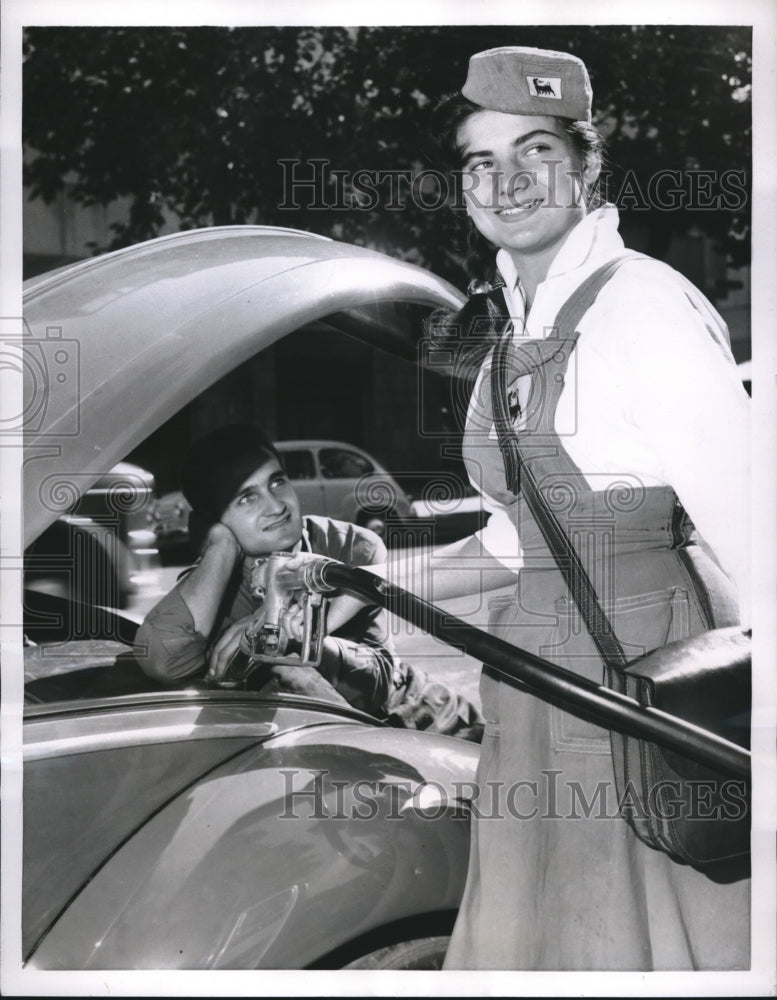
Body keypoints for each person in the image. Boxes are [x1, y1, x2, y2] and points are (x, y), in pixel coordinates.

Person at [286, 45, 748, 970]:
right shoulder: (506, 334)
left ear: (584, 166)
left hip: (639, 685)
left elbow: (757, 537)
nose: (504, 183)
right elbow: (513, 544)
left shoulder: (645, 308)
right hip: (537, 687)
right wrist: (362, 586)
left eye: (533, 152)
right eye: (479, 162)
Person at [133, 424, 484, 740]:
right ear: (214, 522)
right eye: (247, 497)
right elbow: (164, 661)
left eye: (277, 482)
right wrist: (220, 547)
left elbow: (376, 681)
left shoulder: (351, 546)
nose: (276, 506)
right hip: (326, 748)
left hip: (423, 719)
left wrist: (289, 636)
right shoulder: (211, 582)